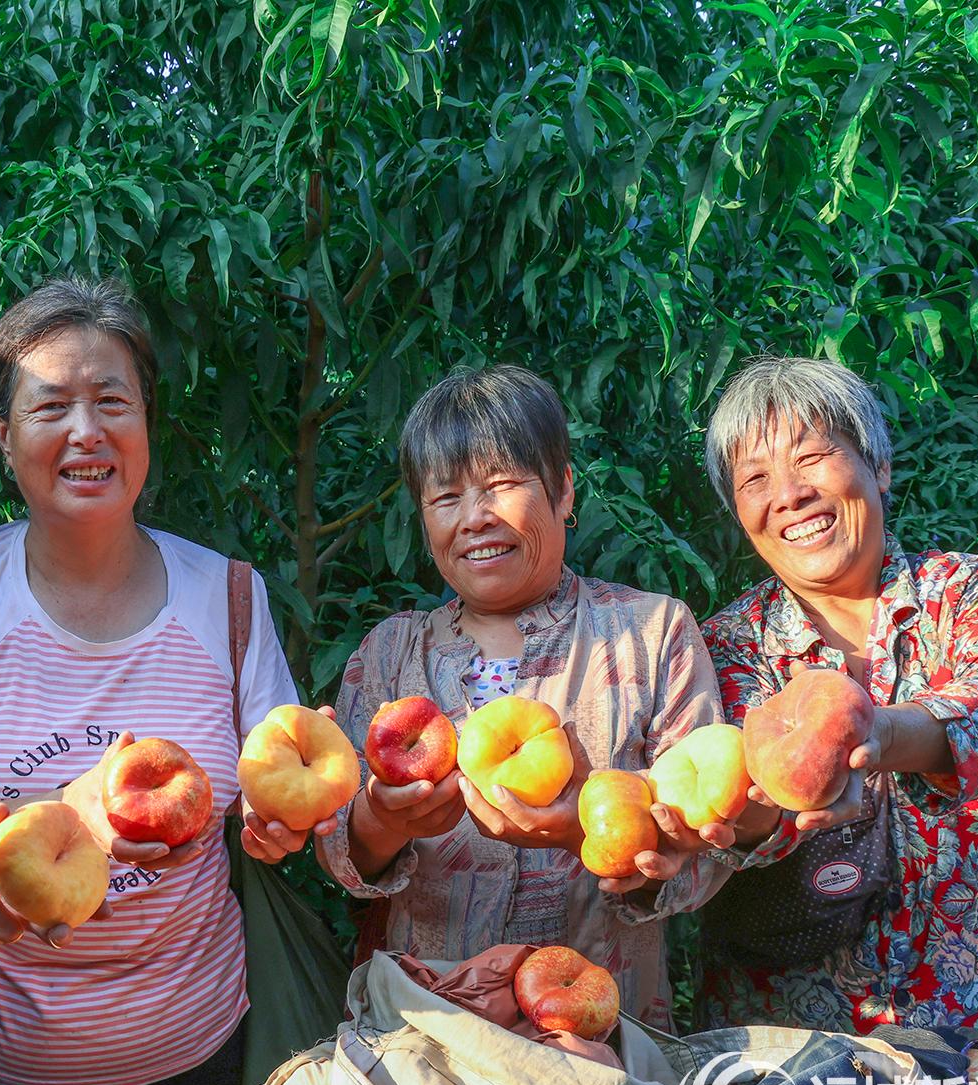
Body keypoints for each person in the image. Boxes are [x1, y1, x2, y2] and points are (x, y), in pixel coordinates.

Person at [0, 277, 298, 1085]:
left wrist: (284, 824)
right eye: (50, 406)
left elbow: (275, 791)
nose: (86, 431)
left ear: (146, 422)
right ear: (3, 435)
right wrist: (85, 816)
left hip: (201, 1049)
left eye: (112, 401)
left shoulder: (228, 596)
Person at [284, 365, 788, 1028]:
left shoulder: (651, 634)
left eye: (501, 486)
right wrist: (386, 818)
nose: (475, 518)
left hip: (604, 1031)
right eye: (445, 497)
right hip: (428, 1033)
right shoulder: (389, 657)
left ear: (563, 489)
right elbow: (342, 854)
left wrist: (592, 832)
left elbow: (703, 845)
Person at [696, 355, 978, 1031]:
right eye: (755, 479)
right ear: (740, 513)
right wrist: (735, 818)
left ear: (879, 467)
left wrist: (872, 735)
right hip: (796, 1048)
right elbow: (738, 800)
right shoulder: (723, 648)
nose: (789, 494)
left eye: (812, 457)